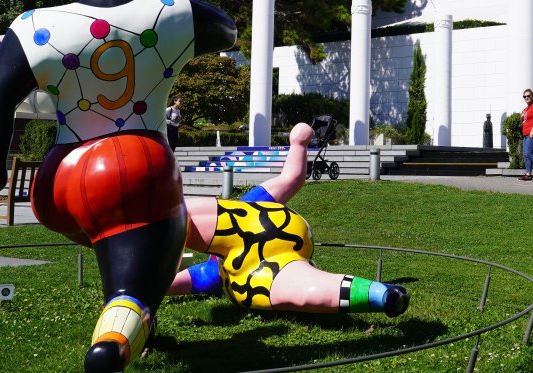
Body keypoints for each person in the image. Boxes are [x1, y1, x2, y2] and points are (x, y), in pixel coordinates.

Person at [0, 0, 237, 373]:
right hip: (135, 161)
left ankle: (135, 319)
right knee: (136, 280)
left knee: (122, 250)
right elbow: (227, 28)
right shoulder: (166, 10)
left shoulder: (37, 24)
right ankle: (111, 350)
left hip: (61, 177)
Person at [170, 122, 409, 317]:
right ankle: (382, 296)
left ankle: (381, 295)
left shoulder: (248, 207)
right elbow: (291, 178)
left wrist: (298, 145)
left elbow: (291, 178)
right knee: (300, 289)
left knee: (296, 288)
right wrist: (298, 143)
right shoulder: (221, 271)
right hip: (268, 263)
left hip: (269, 255)